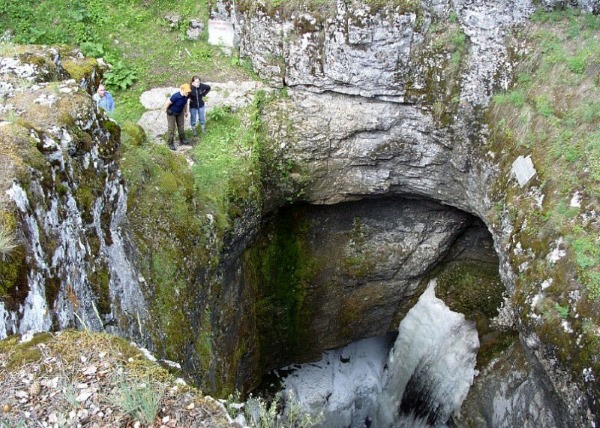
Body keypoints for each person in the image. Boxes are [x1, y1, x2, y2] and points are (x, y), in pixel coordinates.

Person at [163, 83, 191, 151]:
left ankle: (182, 139)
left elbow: (186, 103)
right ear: (182, 90)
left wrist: (186, 111)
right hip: (172, 113)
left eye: (188, 92)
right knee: (171, 128)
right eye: (186, 92)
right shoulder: (175, 96)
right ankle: (170, 143)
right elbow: (167, 103)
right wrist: (166, 110)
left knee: (181, 126)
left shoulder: (186, 96)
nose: (187, 93)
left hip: (180, 112)